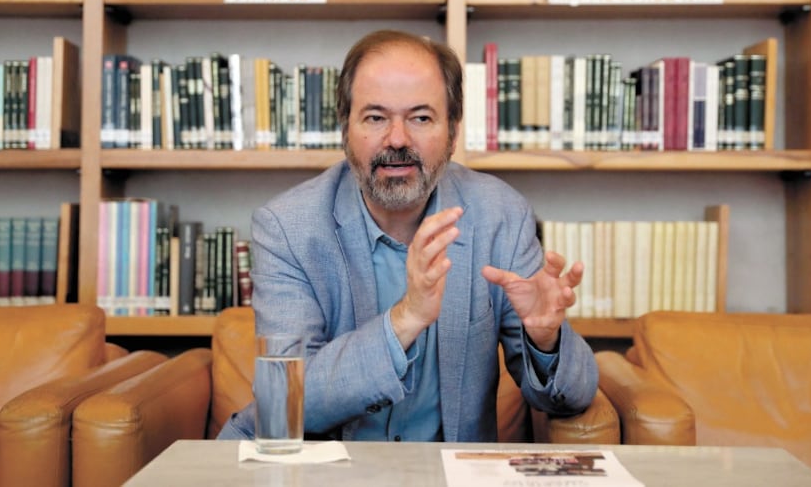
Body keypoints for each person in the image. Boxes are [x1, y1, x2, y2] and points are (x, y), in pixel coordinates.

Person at [219, 29, 597, 442]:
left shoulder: (500, 217)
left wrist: (546, 340)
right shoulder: (288, 227)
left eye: (420, 117)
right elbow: (283, 403)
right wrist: (407, 318)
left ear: (452, 134)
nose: (397, 139)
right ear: (345, 129)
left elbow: (571, 398)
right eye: (376, 117)